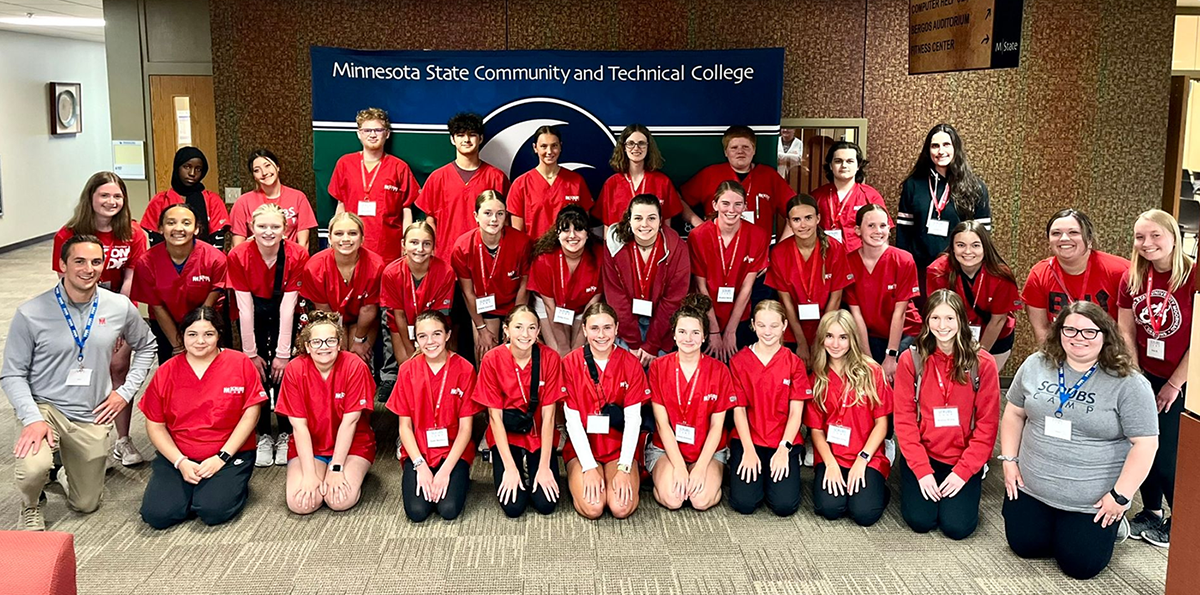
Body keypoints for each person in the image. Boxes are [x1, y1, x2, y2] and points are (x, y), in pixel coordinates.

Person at [2, 235, 156, 530]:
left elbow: (147, 346)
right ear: (62, 265)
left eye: (96, 262)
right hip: (45, 407)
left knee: (86, 503)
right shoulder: (31, 312)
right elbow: (12, 373)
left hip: (91, 412)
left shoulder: (118, 306)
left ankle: (62, 469)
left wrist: (124, 393)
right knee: (33, 466)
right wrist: (32, 418)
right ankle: (32, 503)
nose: (88, 269)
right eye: (79, 261)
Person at [1000, 301, 1158, 579]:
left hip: (1093, 501)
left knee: (1080, 567)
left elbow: (1146, 444)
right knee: (1024, 546)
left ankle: (1114, 524)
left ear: (1105, 334)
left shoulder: (1128, 382)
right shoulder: (1036, 364)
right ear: (1058, 331)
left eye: (1089, 332)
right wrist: (1009, 460)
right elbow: (1014, 412)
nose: (1078, 338)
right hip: (1032, 487)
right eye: (1070, 330)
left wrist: (1120, 496)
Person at [53, 171, 149, 466]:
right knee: (87, 372)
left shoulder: (134, 234)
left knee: (119, 368)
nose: (111, 201)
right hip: (79, 309)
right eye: (104, 195)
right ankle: (91, 439)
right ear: (90, 198)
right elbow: (67, 281)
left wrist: (119, 321)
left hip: (118, 307)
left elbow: (131, 279)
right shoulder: (67, 234)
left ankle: (122, 440)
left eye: (117, 196)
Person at [138, 307, 263, 529]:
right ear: (182, 336)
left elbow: (251, 415)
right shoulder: (166, 371)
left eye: (209, 334)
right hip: (180, 455)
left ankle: (225, 486)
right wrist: (180, 462)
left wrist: (221, 457)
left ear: (219, 335)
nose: (200, 341)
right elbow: (155, 425)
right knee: (157, 515)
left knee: (213, 511)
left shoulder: (239, 363)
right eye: (192, 334)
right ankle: (190, 491)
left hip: (228, 453)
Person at [893, 290, 1000, 540]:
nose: (942, 326)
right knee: (921, 521)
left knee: (957, 528)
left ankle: (973, 475)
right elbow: (905, 421)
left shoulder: (982, 363)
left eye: (950, 318)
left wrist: (963, 472)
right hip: (924, 454)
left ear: (961, 321)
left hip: (963, 457)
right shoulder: (912, 360)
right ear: (927, 321)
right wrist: (921, 470)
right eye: (935, 318)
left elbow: (987, 425)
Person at [1117, 209, 1194, 547]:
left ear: (1173, 238)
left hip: (1187, 379)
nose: (1146, 244)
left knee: (1168, 454)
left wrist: (1174, 384)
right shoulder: (1133, 276)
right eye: (1139, 237)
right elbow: (1125, 327)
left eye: (1155, 236)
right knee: (1140, 441)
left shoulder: (1194, 274)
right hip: (1146, 372)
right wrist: (1136, 376)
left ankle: (1182, 522)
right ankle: (1151, 511)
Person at [226, 204, 309, 467]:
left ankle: (285, 433)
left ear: (286, 229)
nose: (268, 232)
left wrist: (283, 355)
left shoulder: (297, 254)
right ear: (251, 227)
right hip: (254, 312)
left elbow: (288, 307)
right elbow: (244, 308)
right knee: (257, 374)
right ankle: (263, 434)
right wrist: (251, 354)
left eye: (275, 227)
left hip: (285, 311)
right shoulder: (238, 255)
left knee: (285, 373)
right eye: (262, 226)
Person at [274, 312, 375, 514]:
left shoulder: (354, 366)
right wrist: (310, 474)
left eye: (330, 341)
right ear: (308, 346)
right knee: (301, 504)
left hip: (353, 445)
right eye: (317, 342)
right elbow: (299, 426)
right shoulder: (295, 369)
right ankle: (320, 472)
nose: (324, 347)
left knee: (340, 500)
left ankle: (344, 470)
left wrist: (336, 467)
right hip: (312, 446)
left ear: (339, 344)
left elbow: (351, 422)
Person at [473, 306, 568, 518]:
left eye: (531, 328)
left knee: (546, 504)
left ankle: (534, 466)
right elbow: (495, 418)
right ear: (506, 330)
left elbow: (549, 416)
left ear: (538, 332)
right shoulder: (492, 359)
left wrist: (544, 467)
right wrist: (510, 468)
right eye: (518, 327)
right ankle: (517, 465)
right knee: (513, 507)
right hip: (507, 434)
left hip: (538, 436)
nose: (525, 334)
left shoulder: (550, 358)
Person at [646, 294, 738, 511]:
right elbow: (662, 424)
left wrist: (700, 468)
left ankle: (711, 476)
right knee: (673, 499)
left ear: (705, 336)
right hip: (667, 449)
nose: (689, 338)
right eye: (682, 332)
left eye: (695, 332)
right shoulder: (659, 367)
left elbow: (717, 426)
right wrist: (679, 466)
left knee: (700, 500)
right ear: (674, 335)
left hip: (708, 449)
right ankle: (669, 474)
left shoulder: (720, 371)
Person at [561, 303, 651, 519]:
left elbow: (633, 421)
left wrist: (624, 467)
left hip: (618, 448)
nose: (601, 335)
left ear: (617, 329)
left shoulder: (631, 364)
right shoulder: (570, 363)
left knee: (621, 507)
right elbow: (572, 422)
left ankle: (616, 473)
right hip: (584, 447)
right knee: (593, 508)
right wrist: (589, 466)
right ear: (584, 330)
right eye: (594, 328)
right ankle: (585, 475)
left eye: (607, 328)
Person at [387, 312, 479, 522]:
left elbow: (466, 429)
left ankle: (459, 476)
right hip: (419, 452)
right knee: (417, 511)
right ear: (416, 339)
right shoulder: (407, 370)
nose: (430, 342)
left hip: (453, 452)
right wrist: (420, 466)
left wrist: (446, 471)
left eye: (436, 334)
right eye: (423, 336)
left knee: (448, 509)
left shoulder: (465, 369)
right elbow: (405, 428)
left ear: (447, 335)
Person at [804, 310, 893, 526]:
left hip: (866, 454)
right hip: (832, 454)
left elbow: (882, 424)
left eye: (843, 337)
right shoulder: (816, 377)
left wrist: (862, 459)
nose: (835, 344)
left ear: (852, 338)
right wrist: (830, 464)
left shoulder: (872, 371)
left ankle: (878, 487)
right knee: (829, 509)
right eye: (830, 336)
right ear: (822, 338)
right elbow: (816, 430)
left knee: (864, 514)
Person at [728, 300, 812, 516]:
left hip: (782, 439)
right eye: (762, 325)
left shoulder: (794, 363)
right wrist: (747, 449)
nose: (767, 332)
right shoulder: (739, 361)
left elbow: (796, 413)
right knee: (744, 504)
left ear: (784, 325)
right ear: (753, 325)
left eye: (774, 326)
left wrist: (784, 448)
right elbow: (739, 410)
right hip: (749, 438)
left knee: (784, 506)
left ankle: (782, 472)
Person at [896, 123, 991, 295]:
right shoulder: (913, 185)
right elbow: (903, 233)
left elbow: (983, 236)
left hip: (960, 270)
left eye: (946, 145)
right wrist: (904, 269)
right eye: (935, 146)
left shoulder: (975, 187)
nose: (941, 151)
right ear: (928, 150)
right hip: (920, 271)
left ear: (956, 148)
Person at [601, 195, 691, 367]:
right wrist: (633, 343)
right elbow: (615, 296)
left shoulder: (677, 248)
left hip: (662, 326)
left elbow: (673, 300)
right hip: (625, 325)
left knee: (658, 378)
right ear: (629, 219)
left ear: (660, 220)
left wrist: (651, 345)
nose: (644, 224)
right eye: (638, 218)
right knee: (626, 376)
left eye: (651, 218)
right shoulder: (614, 245)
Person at [132, 203, 227, 365]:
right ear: (160, 228)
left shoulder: (215, 259)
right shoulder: (146, 262)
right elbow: (157, 306)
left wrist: (197, 338)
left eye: (186, 223)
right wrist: (178, 346)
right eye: (170, 223)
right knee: (173, 374)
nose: (178, 228)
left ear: (197, 229)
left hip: (206, 323)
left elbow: (211, 300)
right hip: (166, 325)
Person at [688, 181, 770, 361]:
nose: (731, 210)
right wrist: (714, 330)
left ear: (745, 206)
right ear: (715, 204)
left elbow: (747, 287)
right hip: (706, 316)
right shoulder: (698, 236)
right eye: (725, 203)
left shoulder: (758, 235)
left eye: (738, 204)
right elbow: (701, 288)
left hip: (739, 317)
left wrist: (731, 331)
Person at [767, 194, 854, 363]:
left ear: (818, 218)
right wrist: (801, 342)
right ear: (789, 223)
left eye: (808, 218)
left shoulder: (835, 249)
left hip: (827, 330)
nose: (803, 225)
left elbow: (836, 299)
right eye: (797, 219)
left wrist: (819, 340)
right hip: (792, 331)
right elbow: (786, 302)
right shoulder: (779, 253)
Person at [926, 221, 1023, 371]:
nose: (968, 251)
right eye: (961, 245)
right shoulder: (938, 271)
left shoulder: (1001, 275)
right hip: (952, 333)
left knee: (982, 381)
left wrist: (977, 356)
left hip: (994, 336)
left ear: (985, 247)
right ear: (952, 247)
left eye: (975, 245)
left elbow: (998, 320)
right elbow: (938, 314)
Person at [1022, 209, 1130, 344]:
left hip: (1110, 352)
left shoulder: (1120, 271)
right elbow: (1041, 329)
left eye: (1073, 232)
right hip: (1063, 353)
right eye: (1056, 233)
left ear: (1089, 239)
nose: (1064, 238)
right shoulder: (1039, 274)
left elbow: (1127, 331)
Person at [328, 107, 421, 264]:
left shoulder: (399, 167)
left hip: (388, 249)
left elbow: (406, 211)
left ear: (387, 134)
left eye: (378, 130)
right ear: (359, 133)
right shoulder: (345, 164)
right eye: (367, 130)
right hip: (352, 246)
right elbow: (341, 205)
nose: (372, 134)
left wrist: (408, 245)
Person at [450, 190, 532, 363]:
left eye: (500, 214)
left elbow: (524, 287)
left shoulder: (521, 242)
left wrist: (514, 325)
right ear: (476, 216)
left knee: (516, 350)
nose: (494, 219)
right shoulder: (463, 246)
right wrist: (481, 328)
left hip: (513, 306)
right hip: (483, 308)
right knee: (485, 351)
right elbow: (467, 292)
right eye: (487, 213)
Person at [416, 112, 509, 259]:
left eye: (472, 134)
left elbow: (506, 222)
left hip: (486, 257)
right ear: (452, 139)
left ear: (481, 138)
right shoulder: (437, 177)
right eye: (460, 135)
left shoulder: (496, 177)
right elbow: (430, 220)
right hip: (446, 257)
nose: (466, 140)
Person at [845, 204, 922, 381]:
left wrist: (891, 356)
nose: (878, 231)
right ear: (857, 230)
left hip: (905, 333)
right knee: (868, 379)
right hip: (870, 335)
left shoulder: (903, 260)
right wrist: (867, 359)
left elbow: (900, 313)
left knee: (895, 378)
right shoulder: (848, 262)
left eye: (883, 225)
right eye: (871, 225)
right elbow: (856, 315)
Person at [681, 125, 794, 238]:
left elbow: (796, 210)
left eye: (746, 147)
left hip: (759, 250)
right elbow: (678, 199)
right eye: (734, 148)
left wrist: (781, 248)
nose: (740, 151)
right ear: (726, 152)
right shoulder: (709, 174)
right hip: (715, 248)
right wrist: (698, 223)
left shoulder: (769, 176)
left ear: (754, 150)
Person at [301, 212, 384, 363]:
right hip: (331, 318)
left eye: (352, 233)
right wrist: (340, 339)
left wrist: (358, 340)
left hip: (364, 320)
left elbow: (368, 309)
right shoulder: (314, 267)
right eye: (339, 233)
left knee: (356, 357)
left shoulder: (376, 265)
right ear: (329, 238)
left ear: (362, 238)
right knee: (338, 352)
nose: (346, 239)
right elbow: (324, 312)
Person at [528, 205, 602, 356]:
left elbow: (593, 304)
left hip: (583, 307)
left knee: (578, 352)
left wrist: (576, 347)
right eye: (566, 230)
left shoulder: (600, 256)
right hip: (551, 307)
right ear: (557, 233)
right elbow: (550, 307)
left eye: (579, 229)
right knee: (558, 352)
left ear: (588, 233)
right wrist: (563, 348)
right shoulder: (544, 259)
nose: (572, 235)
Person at [380, 221, 455, 363]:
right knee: (408, 366)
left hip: (434, 326)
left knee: (433, 361)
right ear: (403, 244)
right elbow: (398, 316)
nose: (420, 249)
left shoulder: (445, 272)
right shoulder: (391, 273)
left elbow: (440, 317)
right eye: (414, 242)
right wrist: (412, 351)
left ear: (433, 246)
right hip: (401, 326)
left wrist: (425, 345)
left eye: (426, 244)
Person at [507, 125, 595, 239]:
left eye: (554, 146)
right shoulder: (521, 184)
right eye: (543, 146)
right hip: (533, 254)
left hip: (569, 253)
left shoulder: (576, 182)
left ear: (560, 147)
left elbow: (584, 227)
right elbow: (516, 235)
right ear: (535, 148)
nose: (549, 151)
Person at [594, 124, 684, 232]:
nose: (636, 148)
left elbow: (666, 227)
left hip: (653, 245)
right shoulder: (612, 184)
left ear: (648, 147)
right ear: (624, 147)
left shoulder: (662, 182)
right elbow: (607, 229)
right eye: (631, 143)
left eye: (641, 143)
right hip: (620, 246)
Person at [140, 146, 230, 246]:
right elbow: (155, 241)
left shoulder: (212, 200)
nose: (192, 173)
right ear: (177, 167)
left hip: (205, 258)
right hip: (166, 259)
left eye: (198, 169)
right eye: (187, 167)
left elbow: (217, 240)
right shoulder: (160, 200)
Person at [230, 148, 317, 248]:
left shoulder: (298, 198)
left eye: (267, 165)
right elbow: (237, 246)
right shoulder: (243, 202)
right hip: (255, 259)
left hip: (289, 259)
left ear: (277, 167)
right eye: (256, 170)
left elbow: (303, 244)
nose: (264, 172)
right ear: (254, 176)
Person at [810, 141, 888, 251]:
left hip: (860, 259)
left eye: (850, 161)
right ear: (831, 166)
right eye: (838, 161)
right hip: (824, 257)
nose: (844, 165)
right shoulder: (817, 196)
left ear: (858, 166)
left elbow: (882, 234)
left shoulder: (870, 196)